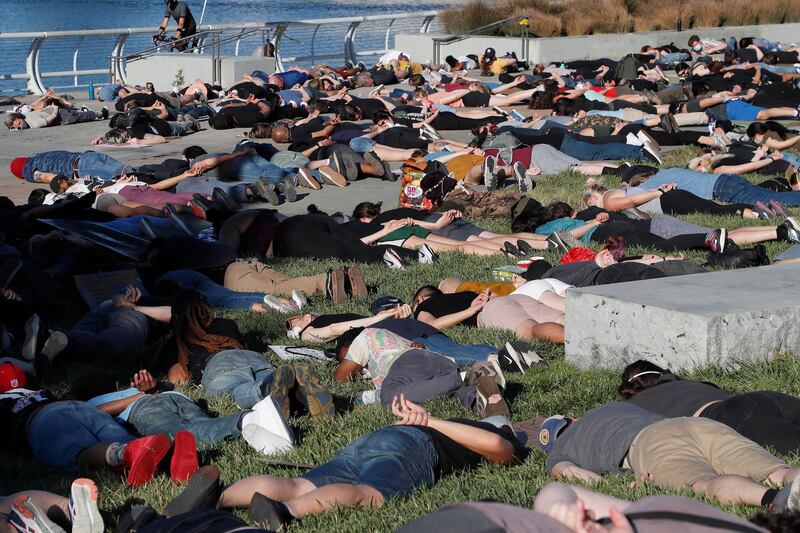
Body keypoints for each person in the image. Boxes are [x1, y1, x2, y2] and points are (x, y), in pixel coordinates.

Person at [217, 394, 527, 530]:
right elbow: (498, 446)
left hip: (379, 437)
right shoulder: (492, 431)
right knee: (370, 493)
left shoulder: (457, 424)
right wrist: (430, 421)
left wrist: (425, 419)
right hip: (413, 446)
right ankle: (284, 511)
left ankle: (219, 496)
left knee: (299, 484)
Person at [539, 401, 800, 510]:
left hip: (650, 445)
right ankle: (789, 483)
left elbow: (577, 476)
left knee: (704, 484)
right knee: (777, 472)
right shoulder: (614, 406)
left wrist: (622, 483)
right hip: (690, 425)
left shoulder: (559, 452)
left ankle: (776, 501)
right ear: (573, 419)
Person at [619, 359, 800, 455]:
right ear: (660, 374)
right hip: (760, 397)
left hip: (726, 417)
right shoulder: (686, 383)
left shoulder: (635, 408)